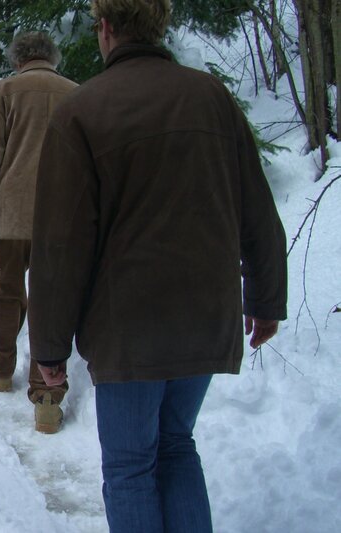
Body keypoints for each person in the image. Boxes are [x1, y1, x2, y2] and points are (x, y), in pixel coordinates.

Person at [28, 1, 288, 531]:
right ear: (158, 26)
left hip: (130, 328)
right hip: (204, 314)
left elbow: (60, 243)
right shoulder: (211, 98)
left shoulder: (83, 110)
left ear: (104, 29)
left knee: (129, 468)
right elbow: (257, 208)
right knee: (176, 446)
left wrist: (49, 347)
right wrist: (266, 299)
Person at [0, 32, 77, 433]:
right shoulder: (74, 93)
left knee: (8, 291)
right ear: (52, 56)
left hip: (8, 216)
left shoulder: (1, 92)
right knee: (51, 302)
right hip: (61, 220)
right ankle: (47, 397)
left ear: (18, 59)